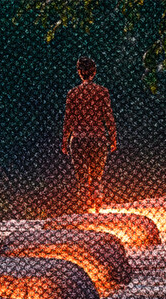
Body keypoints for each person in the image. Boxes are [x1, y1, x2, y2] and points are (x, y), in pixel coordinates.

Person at [61, 57, 117, 212]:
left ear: (79, 72)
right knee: (97, 176)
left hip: (79, 139)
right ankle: (98, 208)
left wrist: (65, 141)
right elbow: (108, 116)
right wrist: (113, 137)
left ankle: (86, 209)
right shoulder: (102, 92)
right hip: (98, 138)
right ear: (94, 72)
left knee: (83, 178)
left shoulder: (73, 94)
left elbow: (69, 119)